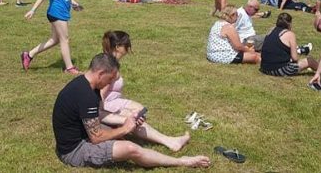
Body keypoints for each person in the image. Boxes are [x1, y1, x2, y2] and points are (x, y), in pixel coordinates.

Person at [52, 53, 210, 169]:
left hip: (84, 134)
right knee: (130, 148)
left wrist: (127, 121)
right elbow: (96, 137)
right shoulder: (85, 95)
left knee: (129, 119)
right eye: (110, 79)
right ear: (100, 74)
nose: (110, 83)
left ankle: (170, 141)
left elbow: (96, 117)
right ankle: (182, 161)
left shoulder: (87, 86)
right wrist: (124, 129)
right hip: (75, 151)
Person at [100, 31, 191, 150]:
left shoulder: (111, 62)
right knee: (134, 117)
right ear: (118, 47)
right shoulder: (109, 67)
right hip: (106, 105)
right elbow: (99, 96)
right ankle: (170, 142)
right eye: (127, 46)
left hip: (114, 101)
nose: (128, 50)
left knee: (140, 110)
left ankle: (123, 128)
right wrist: (112, 115)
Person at [22, 0, 83, 75]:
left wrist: (73, 3)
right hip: (57, 13)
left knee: (54, 40)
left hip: (61, 12)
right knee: (64, 39)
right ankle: (69, 68)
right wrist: (33, 10)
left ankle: (29, 55)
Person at [260, 12, 321, 77]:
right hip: (278, 70)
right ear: (289, 23)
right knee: (309, 61)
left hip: (264, 67)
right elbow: (295, 58)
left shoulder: (271, 30)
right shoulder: (290, 34)